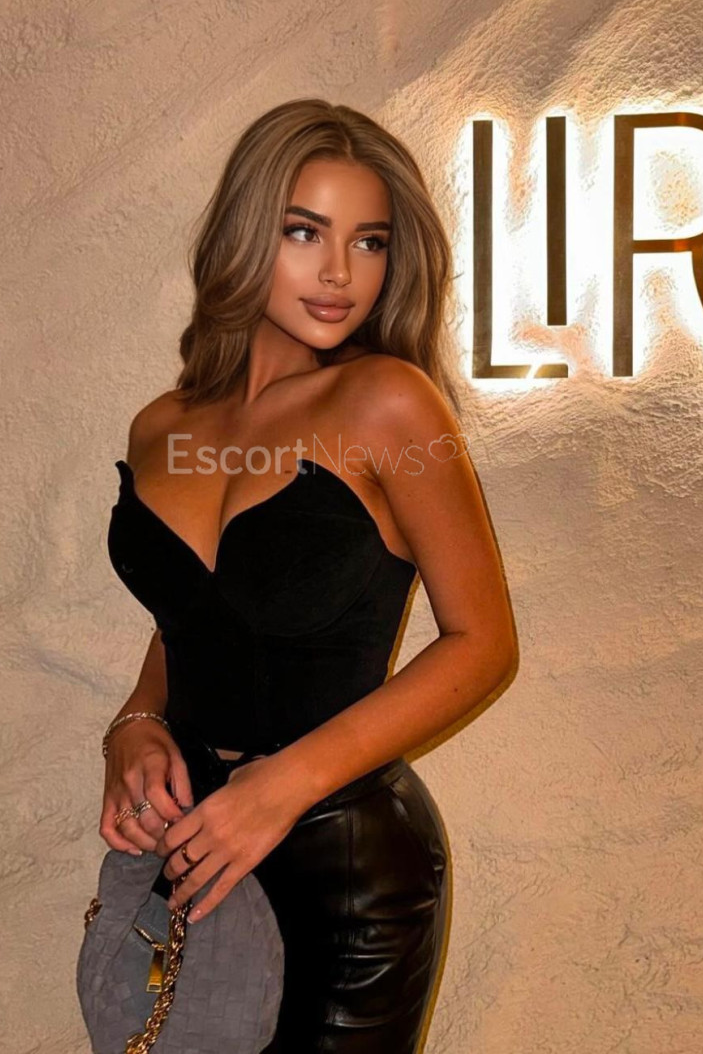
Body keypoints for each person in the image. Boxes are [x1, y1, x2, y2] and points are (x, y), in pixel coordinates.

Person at [100, 98, 517, 1052]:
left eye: (370, 242)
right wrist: (134, 724)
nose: (340, 273)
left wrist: (283, 786)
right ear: (245, 233)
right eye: (304, 232)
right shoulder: (163, 425)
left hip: (346, 872)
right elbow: (196, 615)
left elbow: (484, 643)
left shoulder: (387, 403)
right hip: (194, 849)